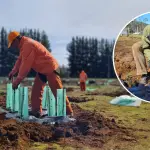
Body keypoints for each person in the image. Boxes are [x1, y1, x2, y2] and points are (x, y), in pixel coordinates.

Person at [8, 31, 73, 117]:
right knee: (36, 90)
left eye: (12, 44)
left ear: (16, 40)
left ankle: (68, 114)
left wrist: (17, 81)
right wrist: (13, 71)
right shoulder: (24, 45)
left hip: (50, 68)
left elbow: (25, 66)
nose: (13, 46)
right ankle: (36, 111)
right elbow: (20, 60)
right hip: (42, 70)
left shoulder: (27, 45)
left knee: (57, 91)